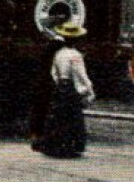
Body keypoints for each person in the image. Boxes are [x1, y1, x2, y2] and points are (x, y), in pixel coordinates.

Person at [34, 22, 97, 158]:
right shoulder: (75, 55)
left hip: (60, 87)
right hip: (70, 88)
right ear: (76, 39)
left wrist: (59, 83)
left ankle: (54, 146)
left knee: (57, 117)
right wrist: (88, 89)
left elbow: (53, 72)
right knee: (72, 118)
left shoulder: (59, 54)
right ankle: (70, 148)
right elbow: (80, 74)